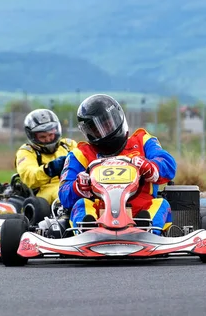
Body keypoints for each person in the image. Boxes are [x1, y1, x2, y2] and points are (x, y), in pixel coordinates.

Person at [58, 94, 176, 234]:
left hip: (140, 208)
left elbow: (168, 164)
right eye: (95, 128)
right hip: (99, 211)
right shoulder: (80, 154)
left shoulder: (142, 141)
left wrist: (150, 167)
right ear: (88, 132)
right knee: (81, 205)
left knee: (161, 204)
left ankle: (146, 230)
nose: (103, 131)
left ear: (117, 118)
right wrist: (78, 187)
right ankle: (87, 232)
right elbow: (64, 193)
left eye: (106, 123)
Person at [13, 108, 77, 205]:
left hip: (74, 182)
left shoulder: (68, 145)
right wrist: (49, 169)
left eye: (51, 135)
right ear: (33, 137)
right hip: (45, 191)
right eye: (42, 137)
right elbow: (29, 177)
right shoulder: (26, 152)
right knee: (67, 195)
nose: (48, 139)